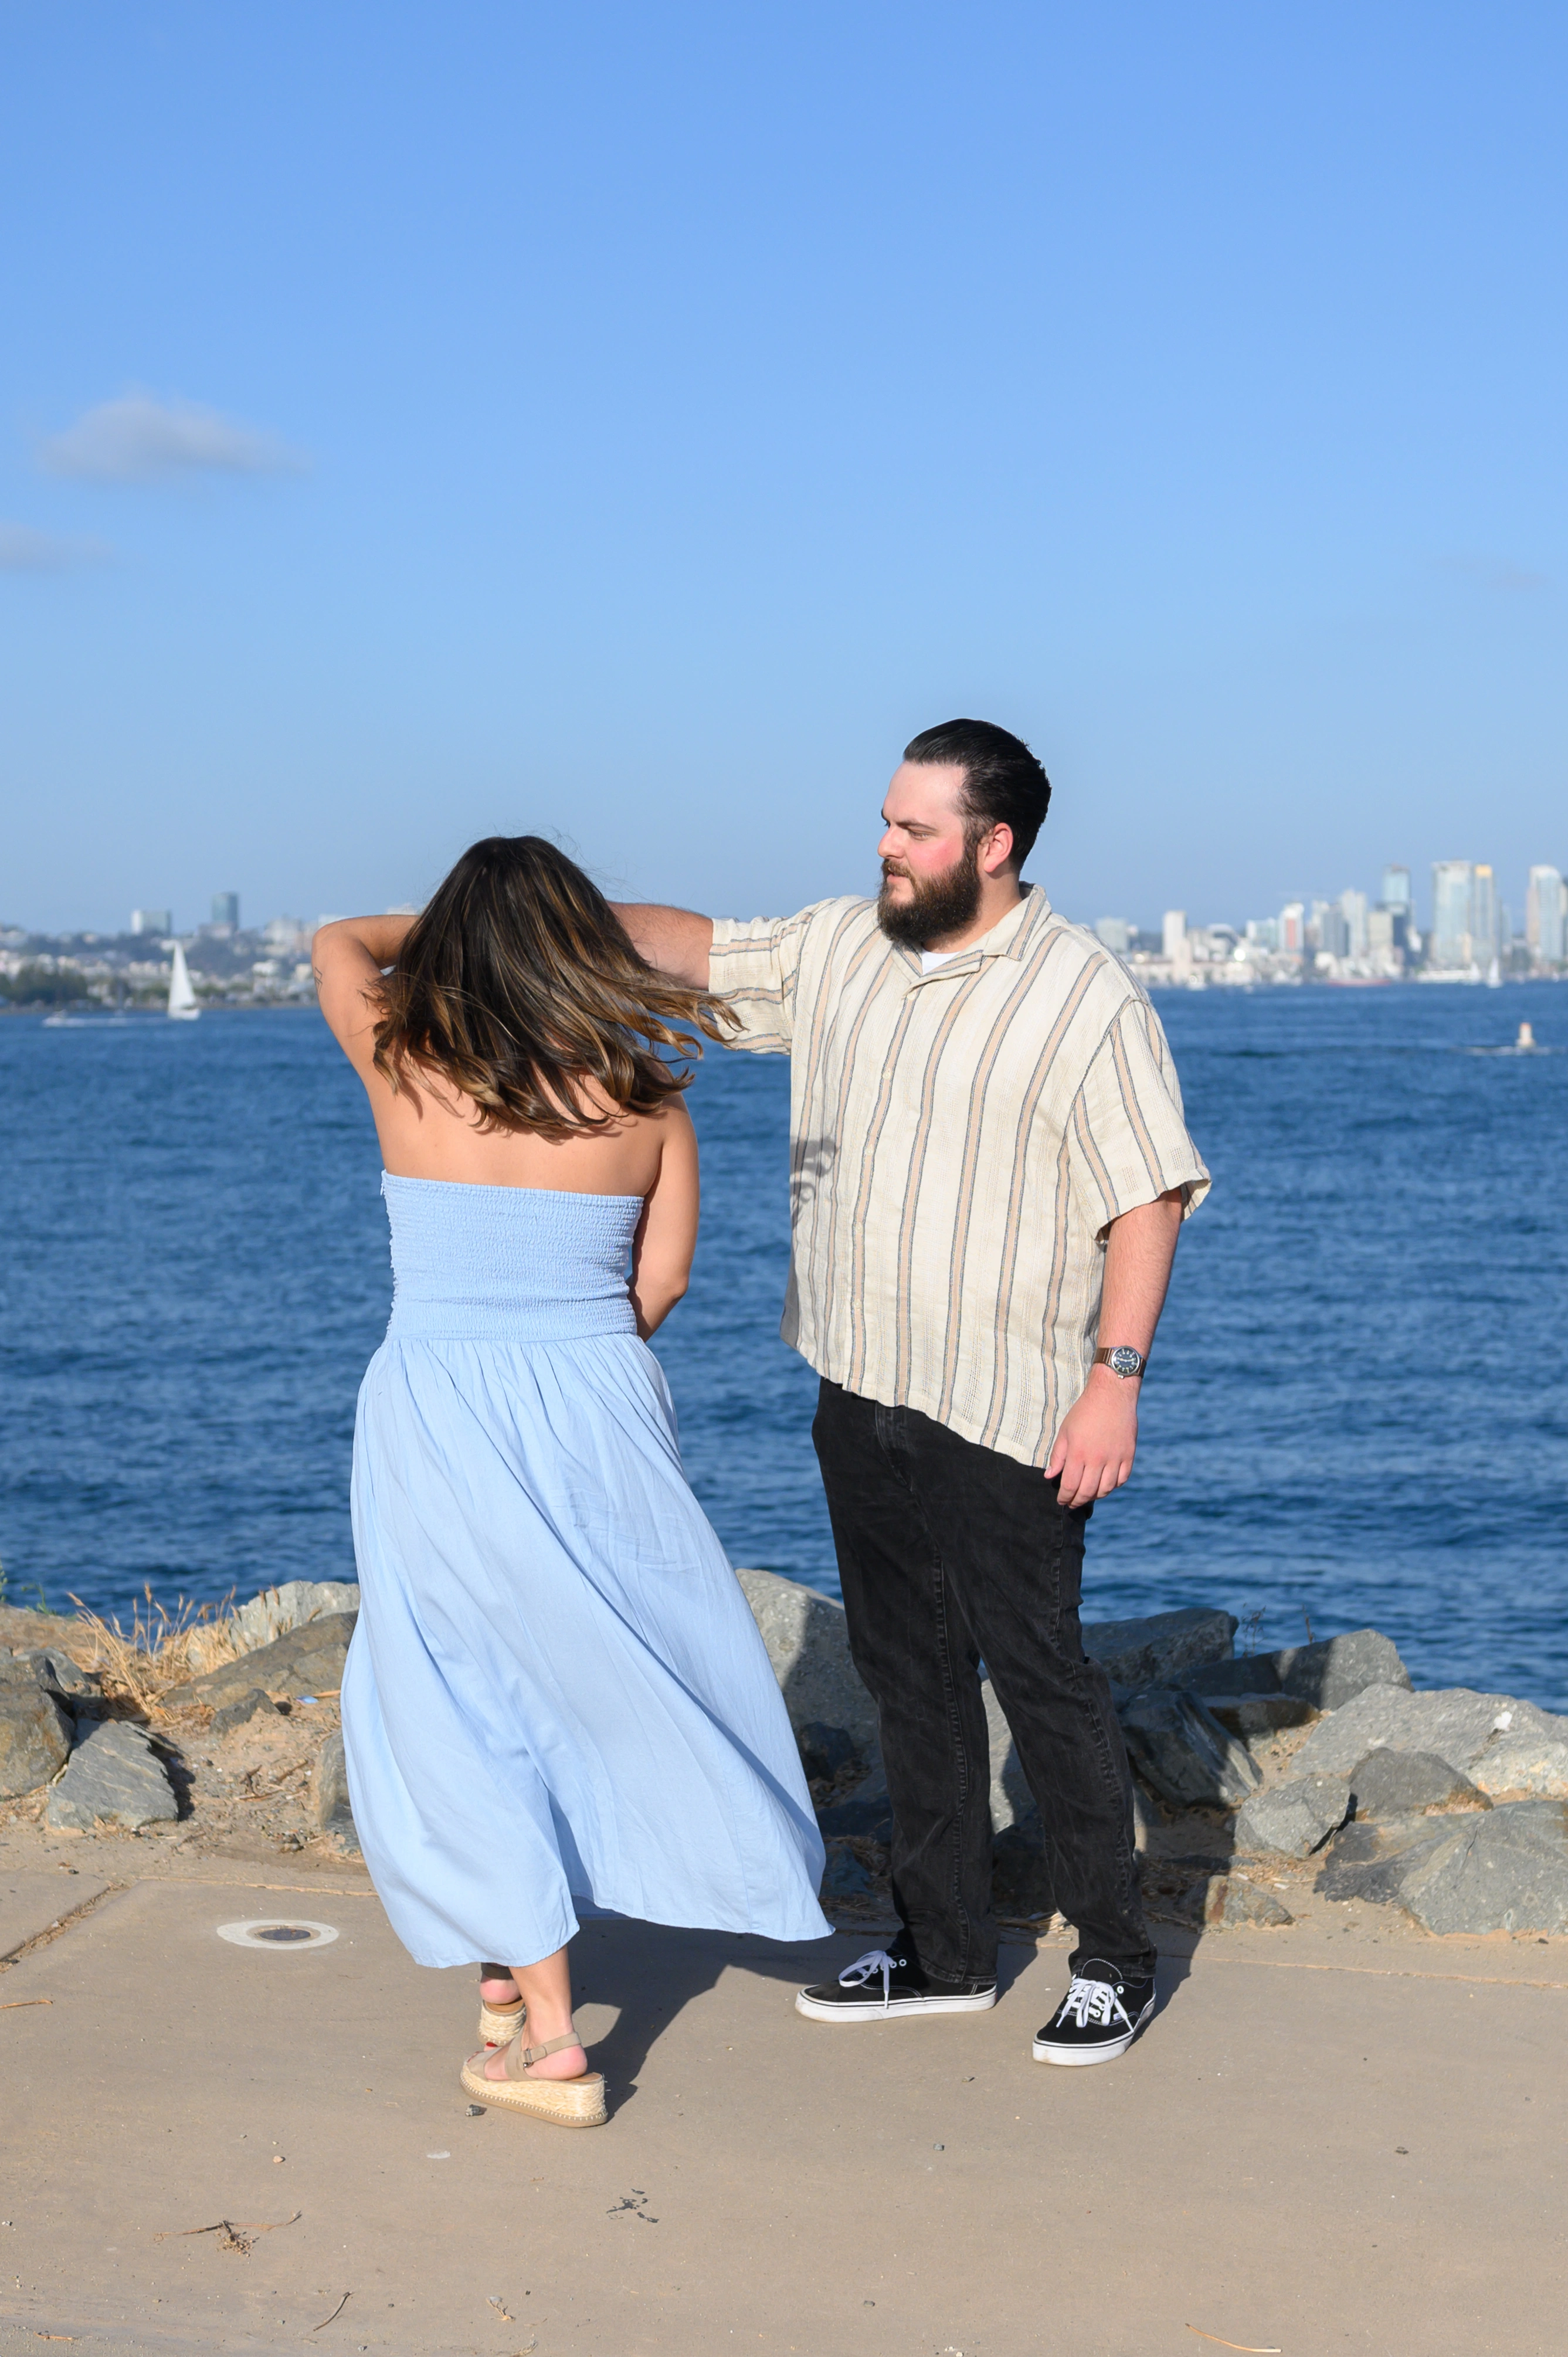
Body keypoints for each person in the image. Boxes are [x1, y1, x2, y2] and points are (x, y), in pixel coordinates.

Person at [612, 719, 1210, 2066]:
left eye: (914, 829)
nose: (885, 846)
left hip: (1007, 1401)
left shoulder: (1082, 994)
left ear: (992, 846)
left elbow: (1145, 1198)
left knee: (1042, 1673)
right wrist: (526, 903)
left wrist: (1112, 1384)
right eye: (884, 820)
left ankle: (1114, 1956)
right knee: (905, 1669)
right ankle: (940, 1947)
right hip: (858, 1376)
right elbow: (693, 947)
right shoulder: (839, 944)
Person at [313, 837, 830, 2130]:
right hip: (595, 1392)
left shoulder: (403, 1059)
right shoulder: (646, 1100)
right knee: (593, 1666)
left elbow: (337, 941)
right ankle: (511, 1971)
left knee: (450, 1692)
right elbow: (660, 1284)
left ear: (460, 942)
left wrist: (456, 924)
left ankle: (549, 2034)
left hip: (435, 1399)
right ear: (569, 941)